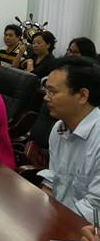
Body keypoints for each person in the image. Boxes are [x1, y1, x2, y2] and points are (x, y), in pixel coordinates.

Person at [39, 57, 100, 224]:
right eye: (46, 91)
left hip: (83, 230)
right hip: (57, 219)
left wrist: (57, 222)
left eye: (52, 92)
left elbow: (94, 209)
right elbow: (53, 179)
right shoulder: (59, 128)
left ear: (82, 95)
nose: (46, 98)